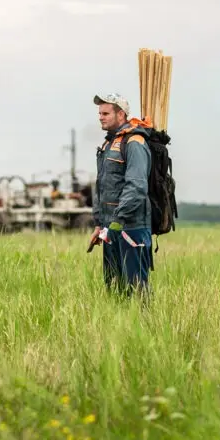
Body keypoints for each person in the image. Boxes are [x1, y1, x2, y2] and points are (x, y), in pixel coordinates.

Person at [91, 92, 155, 296]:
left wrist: (117, 222)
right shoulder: (107, 145)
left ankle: (144, 327)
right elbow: (102, 187)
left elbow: (136, 187)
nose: (101, 116)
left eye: (106, 113)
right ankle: (118, 327)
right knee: (114, 288)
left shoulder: (135, 142)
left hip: (132, 227)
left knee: (135, 288)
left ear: (121, 115)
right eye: (100, 113)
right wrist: (100, 225)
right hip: (111, 229)